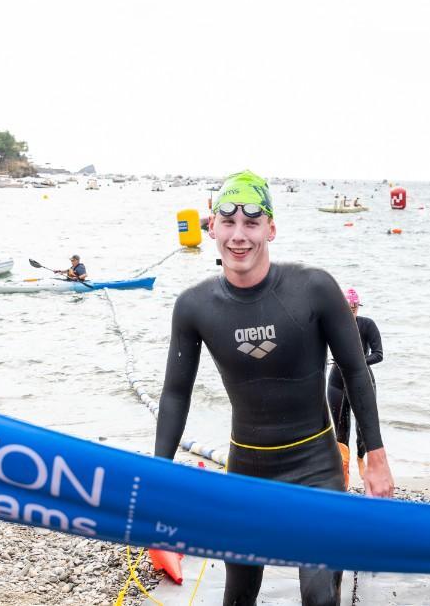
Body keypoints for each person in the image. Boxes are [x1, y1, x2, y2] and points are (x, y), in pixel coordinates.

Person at [156, 170, 393, 606]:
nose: (239, 236)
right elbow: (175, 394)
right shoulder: (193, 306)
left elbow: (356, 372)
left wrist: (373, 456)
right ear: (212, 228)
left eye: (251, 222)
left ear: (271, 228)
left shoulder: (315, 288)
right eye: (228, 222)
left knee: (320, 597)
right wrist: (159, 471)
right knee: (239, 595)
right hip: (246, 469)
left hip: (316, 469)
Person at [326, 287, 383, 488]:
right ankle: (343, 475)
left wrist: (357, 361)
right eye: (347, 306)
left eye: (354, 306)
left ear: (358, 306)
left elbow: (378, 354)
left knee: (363, 428)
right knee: (341, 431)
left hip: (363, 381)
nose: (351, 310)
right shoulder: (333, 325)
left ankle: (361, 458)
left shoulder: (367, 325)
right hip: (336, 382)